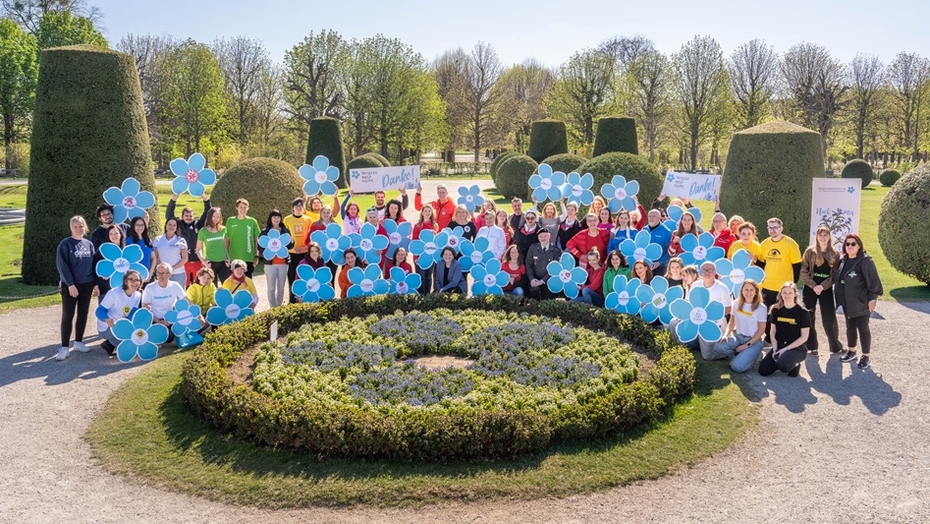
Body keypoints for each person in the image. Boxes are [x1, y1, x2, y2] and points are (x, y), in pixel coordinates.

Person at [835, 234, 883, 369]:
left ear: (859, 246)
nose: (849, 246)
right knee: (850, 327)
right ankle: (851, 351)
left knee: (863, 328)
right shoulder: (843, 260)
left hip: (861, 302)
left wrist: (872, 299)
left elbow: (874, 282)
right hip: (847, 301)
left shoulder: (865, 261)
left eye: (853, 244)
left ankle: (866, 356)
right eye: (847, 244)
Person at [55, 216, 98, 361]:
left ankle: (79, 342)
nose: (78, 229)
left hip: (87, 284)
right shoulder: (65, 244)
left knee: (83, 313)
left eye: (81, 226)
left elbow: (93, 265)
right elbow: (62, 266)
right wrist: (71, 284)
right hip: (70, 285)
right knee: (68, 315)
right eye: (75, 226)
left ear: (84, 227)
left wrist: (95, 283)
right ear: (71, 228)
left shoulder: (89, 244)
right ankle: (64, 347)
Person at [800, 226, 843, 356]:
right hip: (810, 288)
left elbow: (835, 274)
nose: (823, 238)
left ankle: (835, 346)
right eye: (820, 235)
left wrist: (822, 286)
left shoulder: (835, 253)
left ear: (829, 237)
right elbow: (803, 271)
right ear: (817, 237)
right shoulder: (810, 252)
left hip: (826, 289)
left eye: (825, 235)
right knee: (809, 316)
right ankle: (811, 346)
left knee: (829, 317)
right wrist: (814, 285)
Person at [712, 279, 767, 373]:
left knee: (737, 368)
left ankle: (755, 356)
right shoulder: (736, 303)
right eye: (746, 289)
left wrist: (747, 345)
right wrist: (726, 335)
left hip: (753, 341)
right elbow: (731, 322)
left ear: (756, 292)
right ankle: (741, 355)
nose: (748, 292)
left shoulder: (761, 308)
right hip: (738, 337)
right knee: (718, 347)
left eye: (751, 290)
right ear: (741, 291)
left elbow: (761, 330)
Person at [759, 282, 810, 377]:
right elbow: (772, 332)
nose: (787, 295)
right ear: (781, 294)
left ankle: (795, 365)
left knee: (782, 365)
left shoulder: (802, 312)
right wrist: (775, 349)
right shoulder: (776, 309)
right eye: (784, 293)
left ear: (795, 294)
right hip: (779, 345)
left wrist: (785, 350)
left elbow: (804, 337)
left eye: (790, 293)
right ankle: (782, 360)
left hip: (796, 348)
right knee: (763, 370)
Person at [166, 192, 211, 286]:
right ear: (182, 217)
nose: (188, 218)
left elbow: (208, 213)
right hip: (184, 262)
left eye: (190, 216)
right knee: (184, 286)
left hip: (198, 261)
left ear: (194, 216)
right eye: (186, 216)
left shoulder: (198, 224)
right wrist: (173, 200)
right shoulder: (179, 225)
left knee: (198, 285)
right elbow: (169, 216)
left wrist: (206, 200)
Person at [95, 269, 143, 356]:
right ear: (125, 281)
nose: (134, 282)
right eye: (131, 279)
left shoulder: (137, 295)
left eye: (137, 280)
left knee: (137, 341)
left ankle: (109, 344)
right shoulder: (114, 293)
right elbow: (99, 311)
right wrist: (106, 319)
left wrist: (142, 316)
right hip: (107, 327)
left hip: (122, 325)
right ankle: (112, 342)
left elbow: (131, 314)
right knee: (129, 349)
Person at [759, 217, 802, 309]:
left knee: (782, 317)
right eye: (770, 228)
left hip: (783, 288)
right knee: (766, 317)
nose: (772, 230)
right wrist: (754, 260)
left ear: (781, 228)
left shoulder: (791, 244)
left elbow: (797, 265)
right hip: (767, 287)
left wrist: (792, 284)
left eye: (775, 227)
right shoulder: (764, 244)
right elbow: (763, 264)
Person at [142, 262, 187, 342]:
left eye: (163, 273)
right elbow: (144, 308)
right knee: (168, 337)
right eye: (158, 273)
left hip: (171, 318)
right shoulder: (150, 287)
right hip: (155, 319)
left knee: (174, 334)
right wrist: (158, 321)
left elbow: (187, 300)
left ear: (170, 274)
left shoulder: (175, 285)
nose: (160, 275)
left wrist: (199, 316)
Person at [260, 209, 293, 308]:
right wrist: (267, 254)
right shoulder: (265, 232)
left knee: (281, 287)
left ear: (281, 219)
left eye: (278, 217)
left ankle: (279, 307)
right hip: (270, 264)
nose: (276, 219)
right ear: (270, 218)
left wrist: (292, 242)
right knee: (271, 287)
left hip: (283, 263)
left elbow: (289, 247)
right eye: (274, 217)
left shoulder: (285, 231)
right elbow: (260, 246)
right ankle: (272, 307)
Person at [284, 198, 314, 304]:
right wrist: (291, 248)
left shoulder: (308, 219)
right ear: (293, 208)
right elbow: (284, 236)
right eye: (296, 206)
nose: (299, 208)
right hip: (292, 253)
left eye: (301, 206)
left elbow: (311, 236)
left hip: (305, 253)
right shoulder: (287, 220)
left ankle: (305, 298)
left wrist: (306, 248)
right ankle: (292, 300)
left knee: (305, 275)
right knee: (292, 277)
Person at [225, 199, 261, 278]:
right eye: (241, 207)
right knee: (234, 282)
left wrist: (256, 256)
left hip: (249, 257)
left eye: (245, 207)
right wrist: (226, 255)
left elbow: (256, 240)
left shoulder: (252, 221)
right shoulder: (230, 221)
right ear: (236, 208)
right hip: (234, 258)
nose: (243, 209)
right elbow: (227, 239)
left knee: (247, 282)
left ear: (248, 208)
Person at [153, 217, 189, 288]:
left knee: (179, 297)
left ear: (176, 228)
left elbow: (185, 259)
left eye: (174, 225)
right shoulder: (158, 240)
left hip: (178, 273)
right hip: (162, 274)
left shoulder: (181, 240)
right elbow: (155, 257)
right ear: (166, 226)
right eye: (169, 224)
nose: (171, 227)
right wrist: (163, 269)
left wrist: (172, 268)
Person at [196, 207, 229, 284]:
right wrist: (204, 262)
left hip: (223, 263)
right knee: (212, 288)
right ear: (210, 217)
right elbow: (198, 249)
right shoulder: (203, 231)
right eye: (214, 216)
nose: (216, 219)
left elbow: (225, 246)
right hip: (210, 264)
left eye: (218, 217)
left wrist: (228, 259)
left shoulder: (223, 229)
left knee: (227, 287)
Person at [525, 228, 560, 300]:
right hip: (535, 278)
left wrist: (542, 281)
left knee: (548, 298)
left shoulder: (556, 251)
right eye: (540, 236)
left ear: (549, 236)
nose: (543, 238)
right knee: (534, 291)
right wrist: (532, 279)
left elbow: (555, 269)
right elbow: (529, 265)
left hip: (549, 280)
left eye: (545, 236)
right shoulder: (533, 248)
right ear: (538, 238)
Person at [94, 224, 125, 297]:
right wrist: (96, 284)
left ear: (121, 234)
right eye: (111, 234)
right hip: (105, 288)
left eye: (116, 233)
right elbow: (94, 265)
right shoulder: (103, 250)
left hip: (123, 288)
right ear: (108, 236)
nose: (114, 236)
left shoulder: (126, 250)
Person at [412, 206, 438, 294]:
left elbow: (436, 243)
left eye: (429, 211)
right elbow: (414, 241)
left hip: (430, 256)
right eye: (425, 211)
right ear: (422, 213)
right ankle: (421, 296)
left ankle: (427, 296)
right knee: (421, 276)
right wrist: (416, 256)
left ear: (431, 213)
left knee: (428, 277)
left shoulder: (434, 225)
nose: (427, 213)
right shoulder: (418, 226)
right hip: (420, 255)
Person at [126, 216, 156, 284]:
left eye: (142, 225)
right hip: (134, 279)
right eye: (137, 225)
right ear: (133, 226)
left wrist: (150, 273)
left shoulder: (148, 240)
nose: (140, 227)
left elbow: (153, 258)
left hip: (148, 277)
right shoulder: (129, 241)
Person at [643, 209, 672, 275]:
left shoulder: (666, 232)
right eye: (650, 216)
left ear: (659, 218)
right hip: (646, 265)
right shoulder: (644, 230)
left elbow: (669, 251)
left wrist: (660, 262)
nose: (651, 218)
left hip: (660, 267)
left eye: (654, 216)